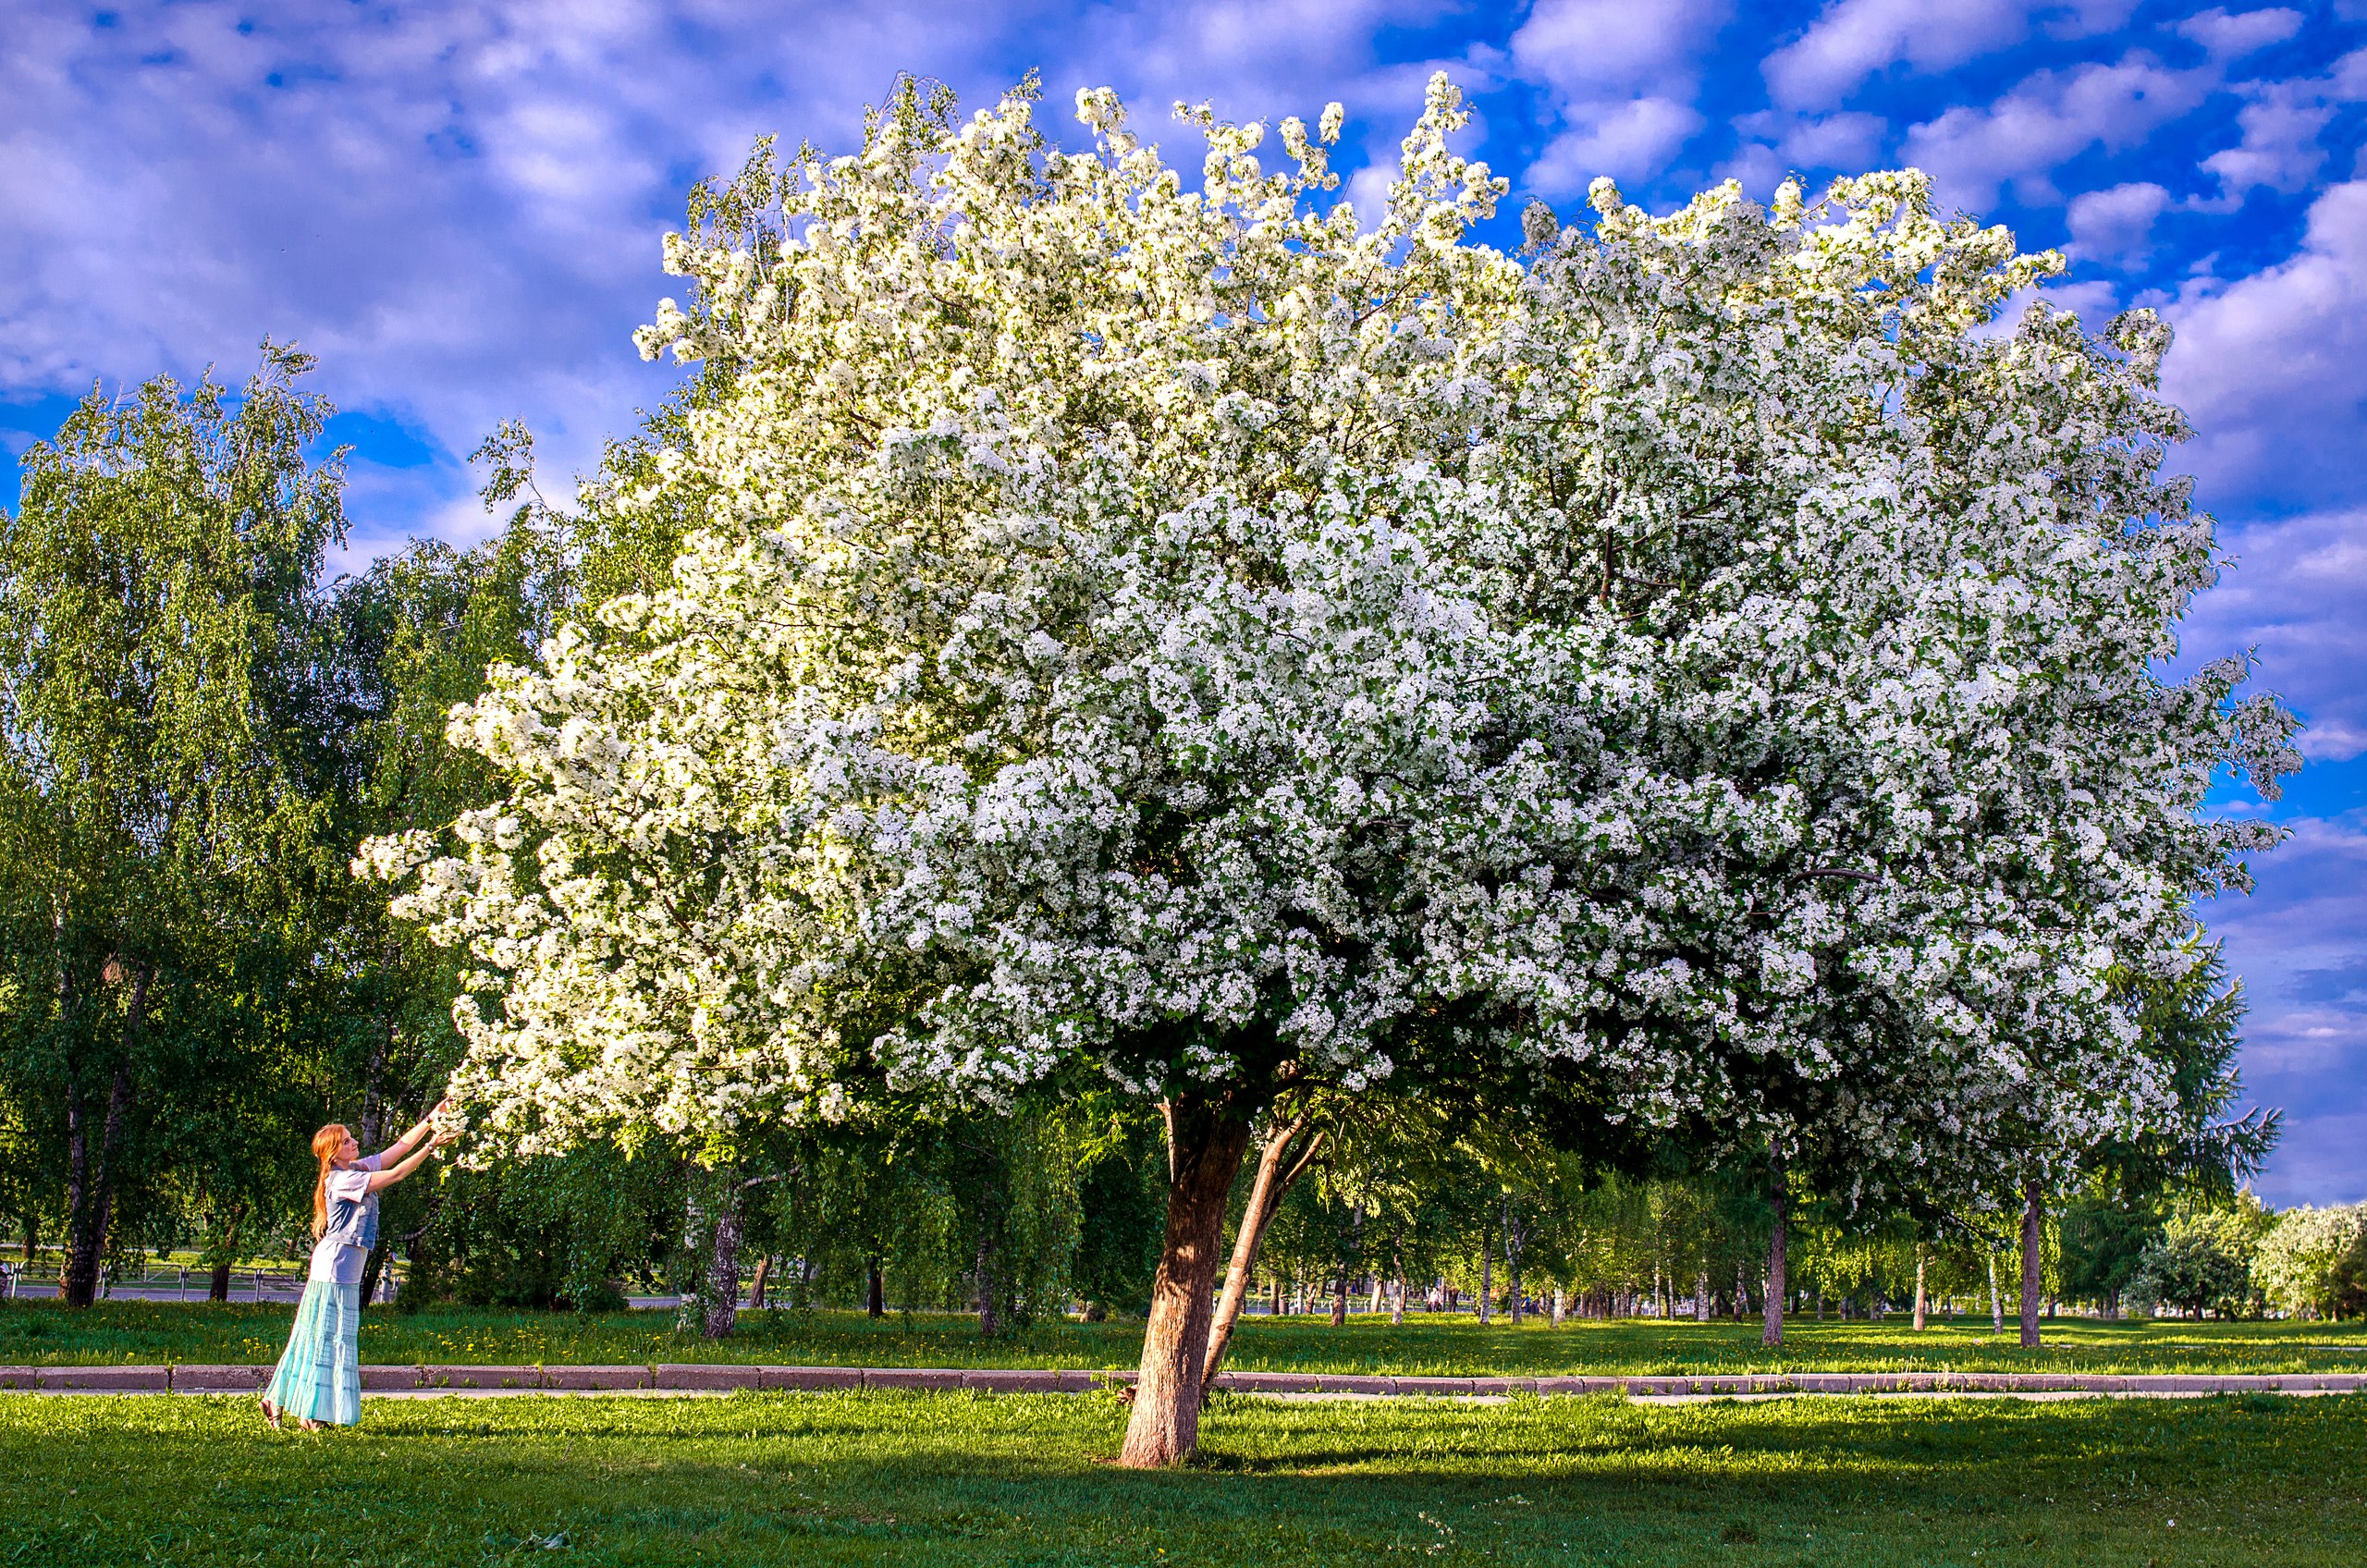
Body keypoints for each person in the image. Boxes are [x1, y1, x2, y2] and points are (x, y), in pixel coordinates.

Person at [261, 1103, 452, 1430]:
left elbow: (398, 1150)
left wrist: (431, 1120)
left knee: (324, 1336)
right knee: (323, 1337)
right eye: (348, 1141)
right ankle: (307, 1411)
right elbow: (396, 1174)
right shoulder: (342, 1180)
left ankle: (285, 1401)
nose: (355, 1143)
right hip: (335, 1268)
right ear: (334, 1154)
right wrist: (432, 1146)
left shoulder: (355, 1170)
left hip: (343, 1269)